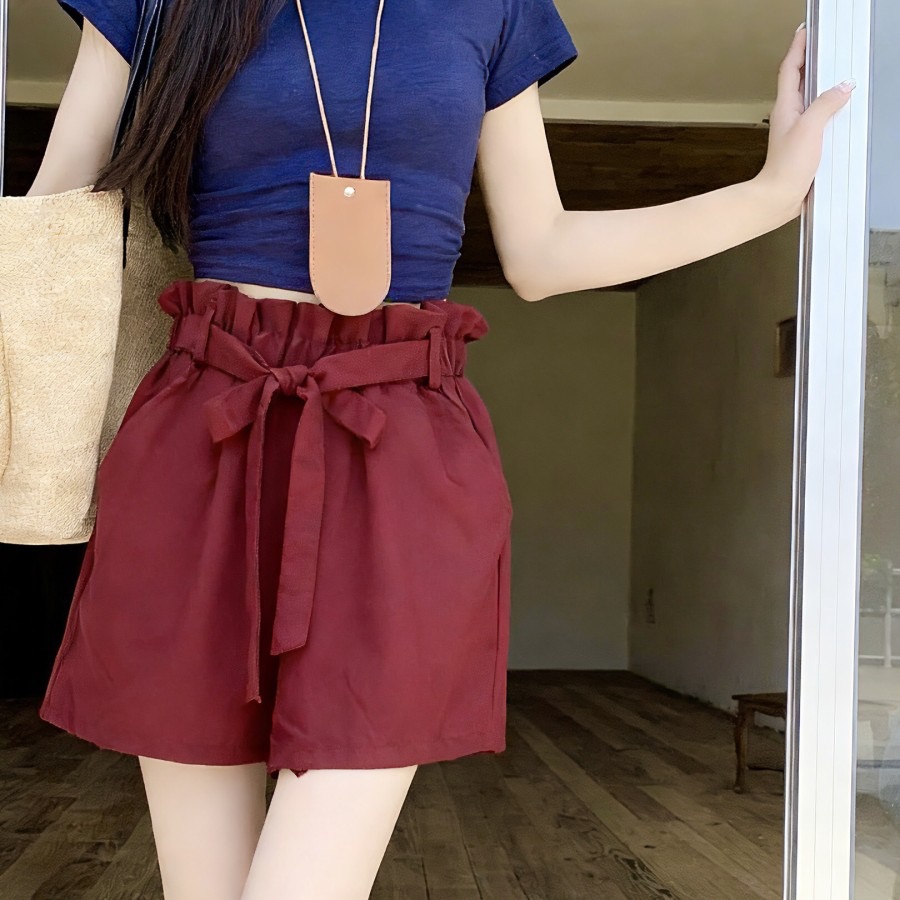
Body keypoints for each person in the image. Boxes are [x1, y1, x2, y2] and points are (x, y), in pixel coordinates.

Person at [29, 0, 852, 894]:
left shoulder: (494, 7)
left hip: (398, 445)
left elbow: (541, 251)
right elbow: (50, 232)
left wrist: (768, 196)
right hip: (204, 434)